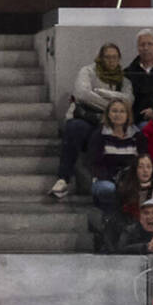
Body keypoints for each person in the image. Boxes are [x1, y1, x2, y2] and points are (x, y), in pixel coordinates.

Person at [50, 42, 131, 199]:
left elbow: (128, 101)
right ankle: (63, 179)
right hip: (86, 117)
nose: (111, 61)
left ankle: (102, 180)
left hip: (110, 121)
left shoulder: (124, 79)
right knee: (74, 128)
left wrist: (100, 93)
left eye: (114, 57)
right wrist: (113, 103)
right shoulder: (87, 72)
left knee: (106, 133)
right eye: (107, 57)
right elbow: (82, 95)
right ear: (100, 58)